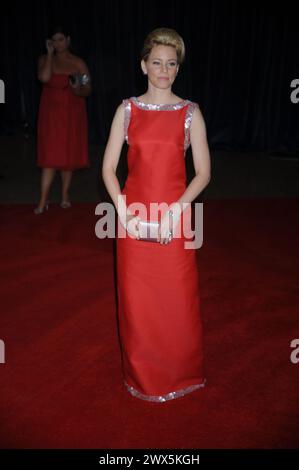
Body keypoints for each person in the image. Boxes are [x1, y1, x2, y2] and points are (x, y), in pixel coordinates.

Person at [102, 27, 211, 402]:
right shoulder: (127, 109)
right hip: (132, 221)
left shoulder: (190, 113)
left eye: (171, 64)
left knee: (177, 299)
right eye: (157, 63)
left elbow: (203, 173)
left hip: (175, 221)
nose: (164, 70)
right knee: (138, 303)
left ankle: (181, 373)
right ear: (143, 65)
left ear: (178, 69)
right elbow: (108, 169)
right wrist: (124, 213)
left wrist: (175, 214)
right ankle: (142, 376)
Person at [34, 25, 91, 214]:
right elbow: (44, 77)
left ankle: (65, 195)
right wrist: (49, 54)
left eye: (60, 39)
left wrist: (77, 89)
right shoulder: (44, 59)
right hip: (50, 113)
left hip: (71, 112)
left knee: (67, 155)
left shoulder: (78, 63)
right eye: (54, 40)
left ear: (68, 40)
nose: (57, 44)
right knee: (49, 157)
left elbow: (87, 88)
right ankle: (43, 200)